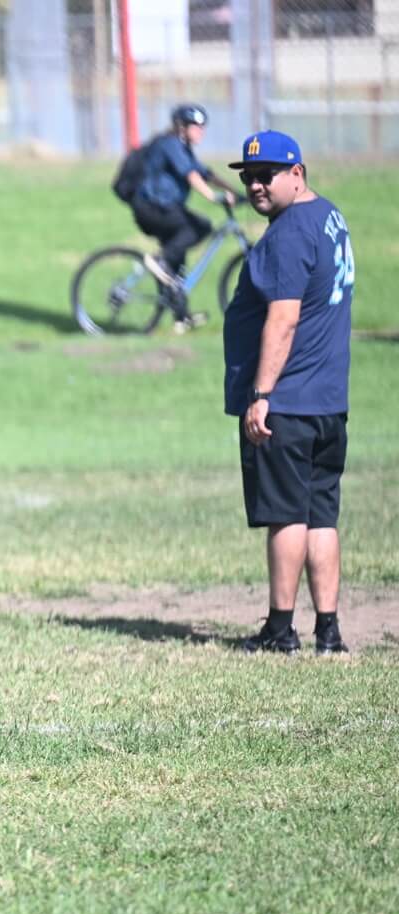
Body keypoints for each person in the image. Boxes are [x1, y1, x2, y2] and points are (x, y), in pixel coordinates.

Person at [221, 130, 355, 655]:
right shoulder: (328, 216)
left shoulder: (288, 233)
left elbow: (283, 319)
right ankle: (329, 629)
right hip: (327, 401)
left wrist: (261, 393)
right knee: (321, 514)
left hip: (289, 402)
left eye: (267, 174)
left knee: (286, 514)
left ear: (296, 174)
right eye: (248, 176)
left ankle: (280, 631)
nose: (255, 184)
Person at [132, 104, 242, 332]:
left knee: (178, 260)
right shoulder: (170, 144)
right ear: (182, 127)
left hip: (165, 208)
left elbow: (205, 173)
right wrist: (215, 197)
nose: (201, 131)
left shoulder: (184, 147)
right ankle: (158, 261)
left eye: (203, 127)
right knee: (198, 227)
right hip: (151, 208)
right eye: (196, 127)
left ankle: (181, 318)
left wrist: (236, 191)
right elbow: (191, 175)